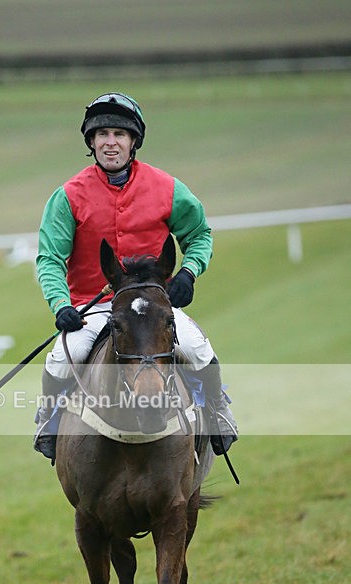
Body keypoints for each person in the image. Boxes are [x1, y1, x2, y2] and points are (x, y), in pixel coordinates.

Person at [34, 92, 238, 461]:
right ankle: (48, 420)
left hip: (153, 303)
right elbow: (49, 258)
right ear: (91, 142)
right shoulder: (67, 197)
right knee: (66, 355)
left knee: (195, 348)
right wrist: (61, 304)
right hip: (96, 305)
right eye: (102, 135)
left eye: (119, 134)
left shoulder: (168, 188)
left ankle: (217, 414)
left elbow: (199, 235)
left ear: (133, 142)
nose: (110, 142)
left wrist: (189, 274)